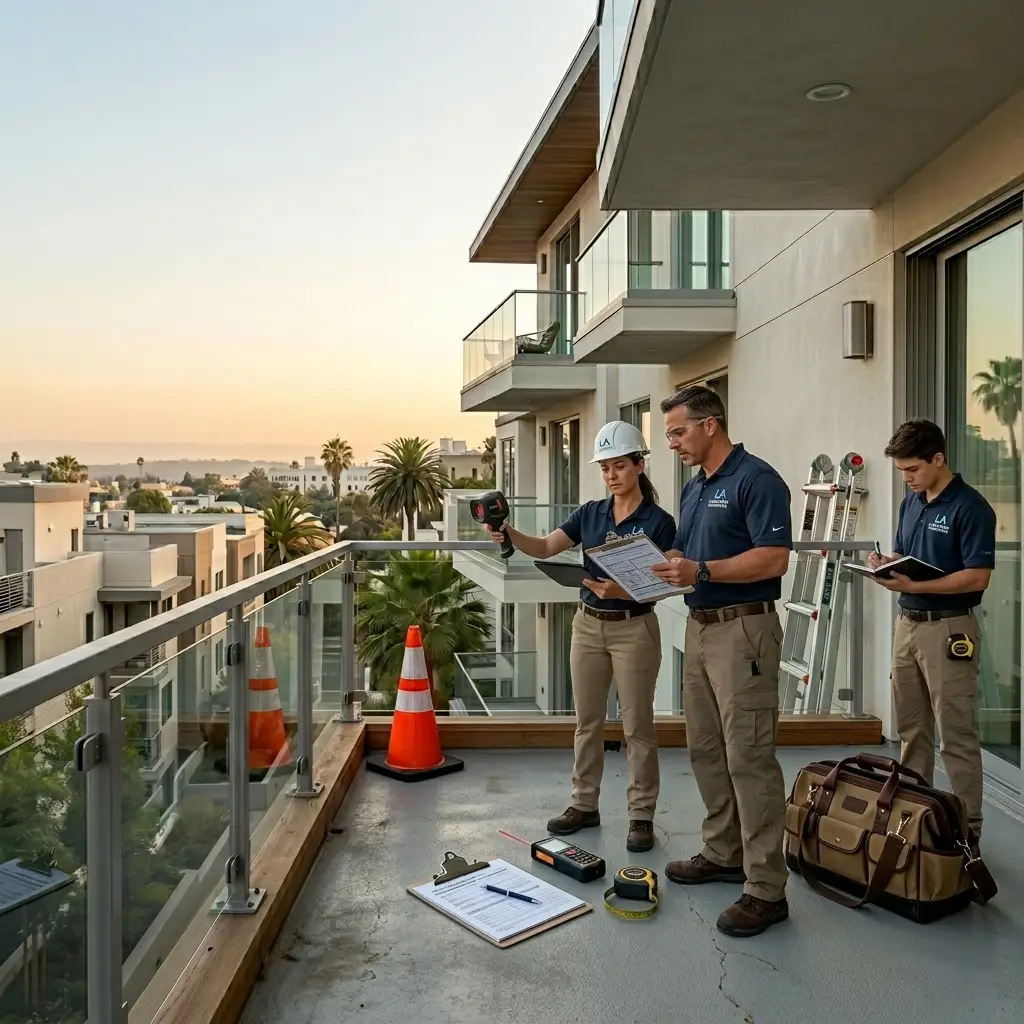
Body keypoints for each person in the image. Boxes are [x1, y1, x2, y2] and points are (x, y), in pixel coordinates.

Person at [483, 420, 676, 852]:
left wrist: (621, 589)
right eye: (605, 467)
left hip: (634, 626)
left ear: (639, 465)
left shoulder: (660, 522)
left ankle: (641, 814)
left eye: (619, 466)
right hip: (588, 625)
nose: (611, 475)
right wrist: (507, 533)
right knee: (586, 722)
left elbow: (665, 583)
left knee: (637, 725)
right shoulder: (590, 513)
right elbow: (547, 547)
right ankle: (583, 804)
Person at [650, 385, 792, 938]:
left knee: (749, 758)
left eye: (679, 432)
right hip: (700, 629)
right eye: (668, 435)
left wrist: (702, 572)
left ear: (710, 425)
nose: (674, 443)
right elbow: (690, 554)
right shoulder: (694, 489)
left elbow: (773, 556)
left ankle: (765, 889)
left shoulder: (758, 480)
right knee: (706, 749)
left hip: (744, 632)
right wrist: (669, 565)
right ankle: (724, 852)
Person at [869, 418, 995, 847]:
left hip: (949, 629)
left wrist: (917, 586)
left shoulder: (970, 507)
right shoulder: (913, 502)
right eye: (902, 472)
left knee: (955, 734)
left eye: (912, 470)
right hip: (907, 625)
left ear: (938, 459)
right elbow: (906, 554)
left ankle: (965, 833)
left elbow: (978, 577)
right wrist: (886, 563)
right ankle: (914, 819)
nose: (906, 480)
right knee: (911, 730)